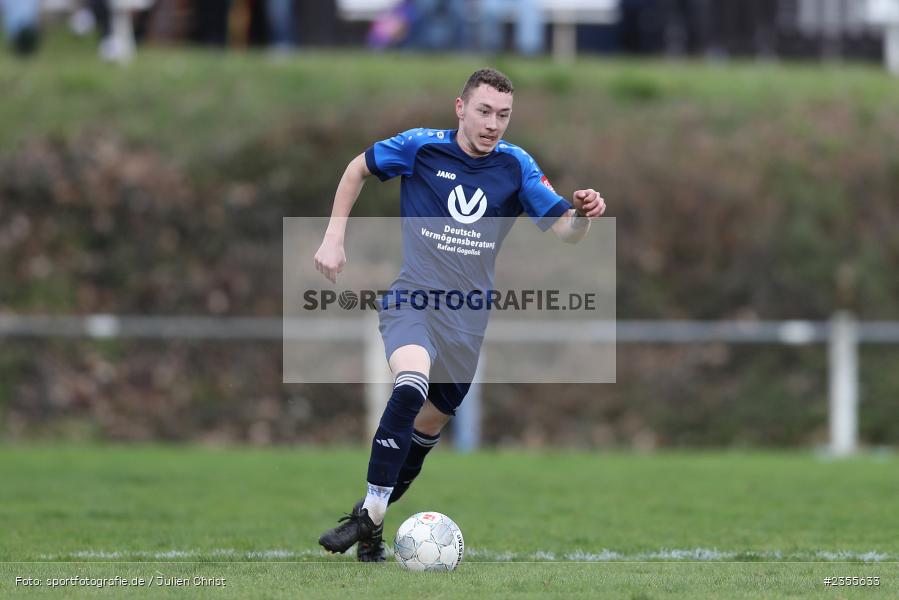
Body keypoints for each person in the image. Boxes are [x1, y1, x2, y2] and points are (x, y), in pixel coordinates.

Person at [314, 68, 606, 562]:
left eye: (504, 115)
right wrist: (333, 236)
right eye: (484, 111)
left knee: (423, 437)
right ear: (460, 108)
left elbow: (564, 231)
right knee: (410, 385)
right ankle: (371, 513)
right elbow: (355, 169)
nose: (494, 124)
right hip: (414, 301)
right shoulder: (421, 147)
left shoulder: (516, 166)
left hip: (467, 322)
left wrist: (582, 215)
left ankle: (370, 525)